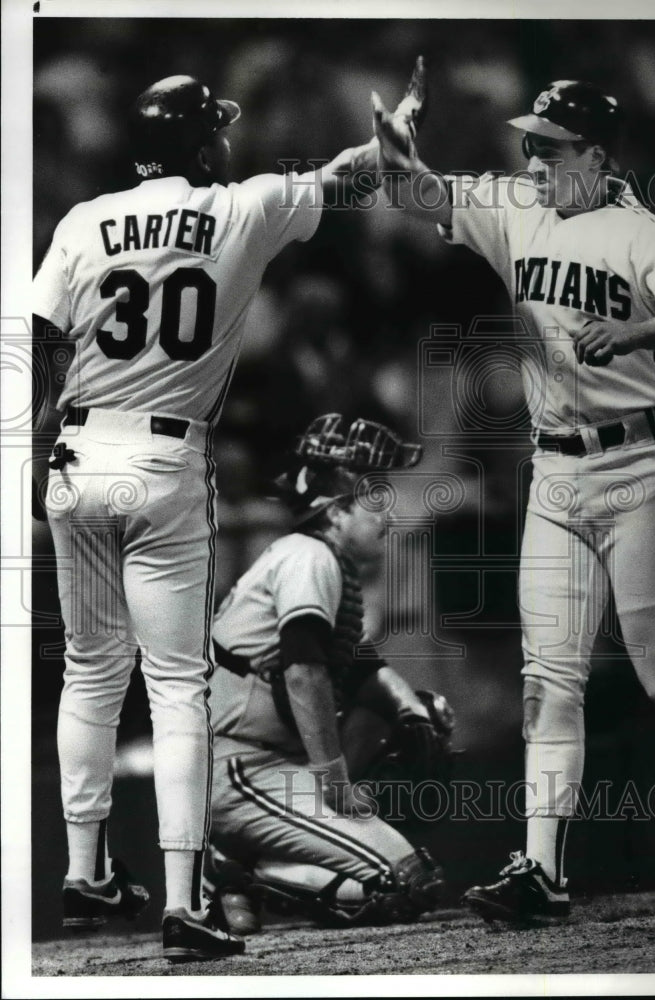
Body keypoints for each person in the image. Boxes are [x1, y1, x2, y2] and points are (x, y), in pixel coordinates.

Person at [32, 66, 424, 962]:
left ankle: (85, 872)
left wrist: (28, 449)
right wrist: (385, 143)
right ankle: (183, 899)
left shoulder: (83, 219)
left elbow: (34, 340)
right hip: (166, 455)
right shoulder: (241, 206)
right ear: (202, 143)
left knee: (90, 673)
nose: (225, 140)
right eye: (217, 130)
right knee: (174, 687)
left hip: (77, 451)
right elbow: (345, 176)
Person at [371, 78, 655, 923]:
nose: (531, 154)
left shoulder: (638, 232)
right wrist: (397, 149)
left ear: (597, 156)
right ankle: (540, 871)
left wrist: (640, 331)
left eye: (550, 143)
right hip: (553, 474)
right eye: (530, 140)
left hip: (635, 465)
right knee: (549, 679)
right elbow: (414, 193)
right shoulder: (512, 206)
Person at [204, 414, 449, 934]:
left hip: (268, 763)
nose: (389, 515)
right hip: (240, 767)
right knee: (410, 883)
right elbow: (303, 673)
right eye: (375, 498)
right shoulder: (309, 556)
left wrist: (412, 712)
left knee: (413, 711)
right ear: (336, 512)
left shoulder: (318, 559)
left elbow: (358, 666)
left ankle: (244, 866)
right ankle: (236, 869)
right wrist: (333, 779)